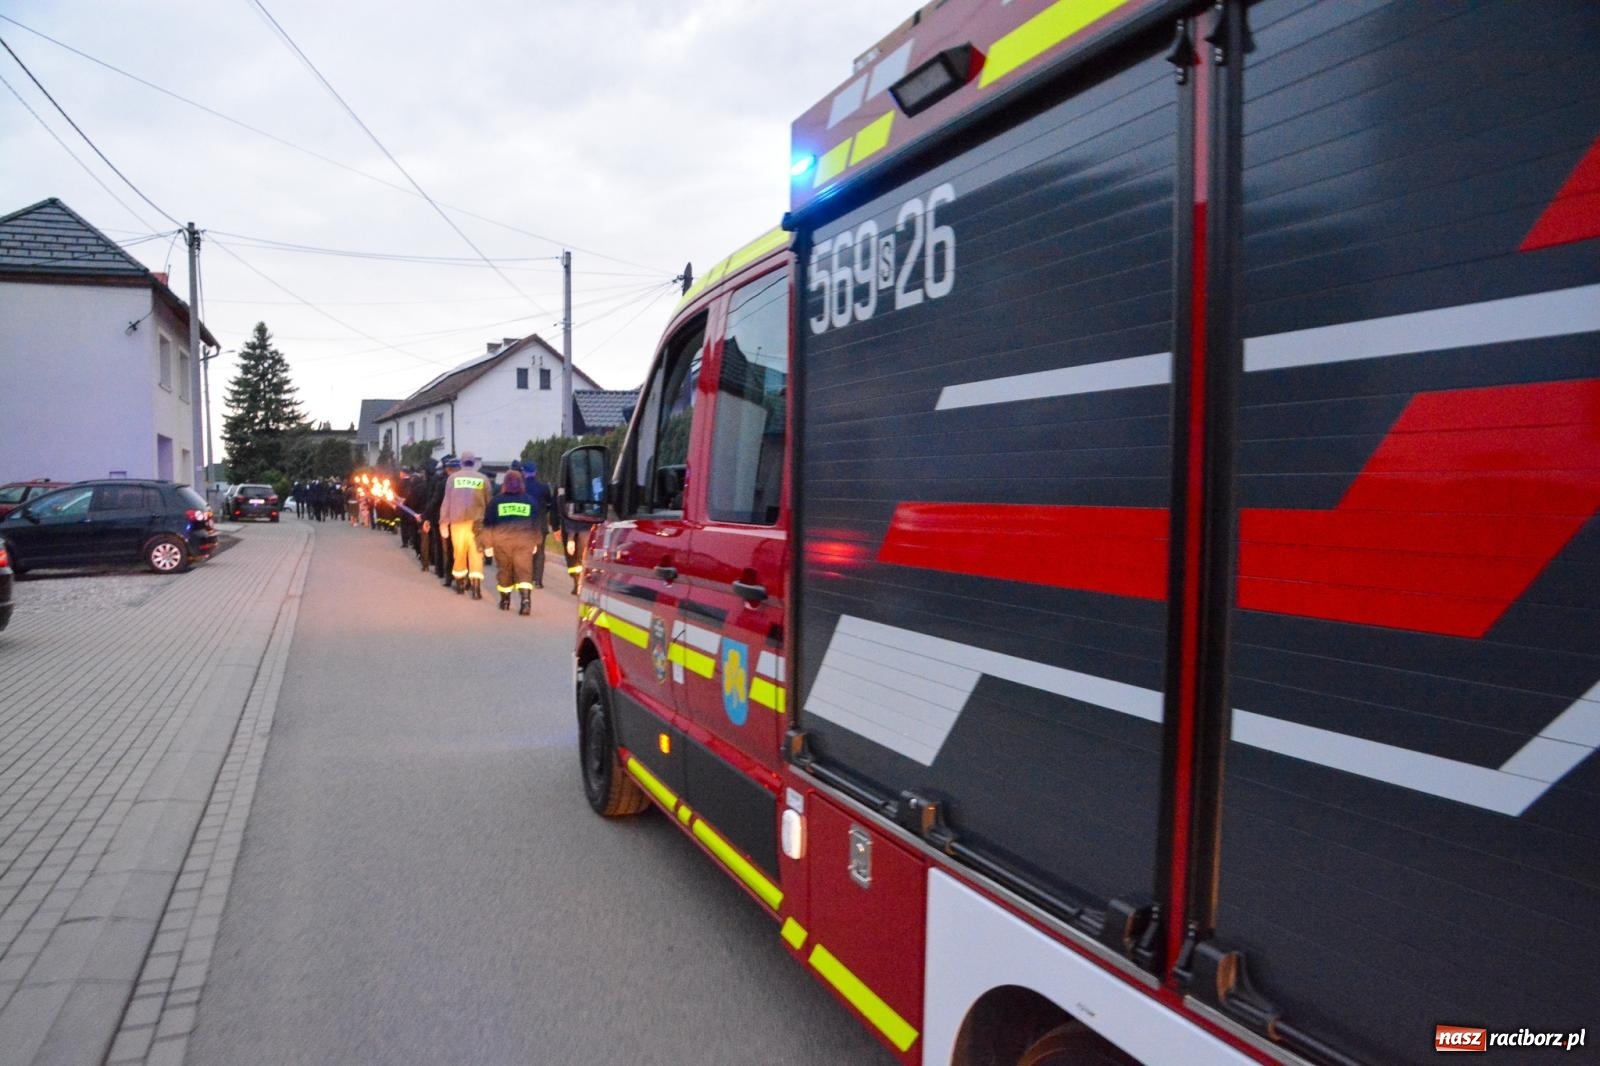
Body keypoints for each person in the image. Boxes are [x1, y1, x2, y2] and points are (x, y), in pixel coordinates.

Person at [482, 468, 543, 615]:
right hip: (524, 542)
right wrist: (536, 542)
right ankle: (526, 602)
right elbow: (536, 523)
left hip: (502, 543)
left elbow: (488, 524)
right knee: (524, 571)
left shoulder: (496, 501)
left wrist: (487, 545)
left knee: (505, 571)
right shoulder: (530, 501)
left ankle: (505, 601)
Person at [439, 451, 491, 598]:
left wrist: (443, 522)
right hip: (477, 524)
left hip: (458, 523)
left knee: (459, 553)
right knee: (476, 554)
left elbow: (446, 502)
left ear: (461, 463)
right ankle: (476, 589)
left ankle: (460, 585)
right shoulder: (483, 479)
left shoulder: (452, 479)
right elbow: (489, 502)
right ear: (474, 463)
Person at [518, 460, 556, 590]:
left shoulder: (520, 486)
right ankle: (538, 580)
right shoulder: (544, 487)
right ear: (535, 472)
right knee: (540, 552)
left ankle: (525, 577)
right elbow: (550, 505)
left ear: (524, 472)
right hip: (540, 524)